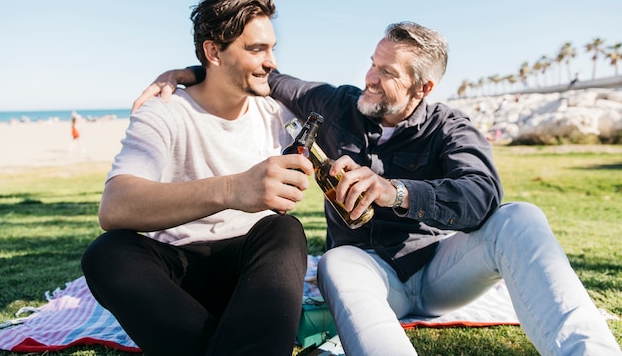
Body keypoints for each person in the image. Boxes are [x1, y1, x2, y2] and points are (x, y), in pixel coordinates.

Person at [137, 22, 622, 356]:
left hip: (436, 274)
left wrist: (395, 192)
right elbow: (262, 75)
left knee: (520, 217)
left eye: (387, 72)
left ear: (422, 88)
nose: (369, 78)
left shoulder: (451, 128)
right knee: (338, 260)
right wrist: (186, 74)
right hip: (365, 274)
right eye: (373, 63)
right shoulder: (333, 103)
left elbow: (481, 196)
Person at [81, 0, 314, 356]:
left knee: (284, 229)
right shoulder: (165, 110)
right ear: (213, 52)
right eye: (256, 49)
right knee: (106, 254)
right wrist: (232, 190)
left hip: (252, 278)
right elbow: (114, 206)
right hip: (177, 278)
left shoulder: (279, 112)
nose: (271, 61)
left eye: (272, 48)